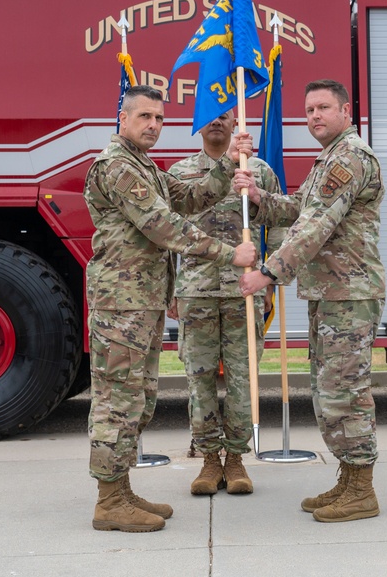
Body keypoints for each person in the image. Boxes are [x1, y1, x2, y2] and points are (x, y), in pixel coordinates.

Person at [84, 85, 256, 533]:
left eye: (159, 118)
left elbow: (189, 198)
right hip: (120, 305)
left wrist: (226, 164)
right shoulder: (117, 167)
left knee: (137, 399)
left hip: (141, 302)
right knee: (116, 401)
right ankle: (109, 500)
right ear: (122, 118)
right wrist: (227, 253)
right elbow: (164, 225)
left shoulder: (146, 167)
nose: (153, 125)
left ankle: (120, 490)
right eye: (144, 117)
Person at [237, 79, 385, 523]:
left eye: (323, 107)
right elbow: (301, 205)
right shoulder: (329, 158)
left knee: (346, 391)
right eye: (309, 110)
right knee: (328, 389)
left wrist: (268, 273)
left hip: (349, 293)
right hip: (331, 291)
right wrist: (261, 199)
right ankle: (348, 477)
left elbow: (316, 224)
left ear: (345, 111)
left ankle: (361, 489)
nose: (315, 116)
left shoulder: (350, 157)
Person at [167, 109, 284, 497]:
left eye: (225, 116)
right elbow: (165, 233)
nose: (216, 122)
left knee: (242, 378)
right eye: (209, 116)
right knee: (198, 379)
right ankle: (208, 460)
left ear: (236, 123)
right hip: (196, 291)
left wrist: (270, 276)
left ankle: (235, 460)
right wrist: (171, 288)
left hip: (243, 291)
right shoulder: (180, 174)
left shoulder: (258, 171)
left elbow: (280, 225)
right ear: (198, 124)